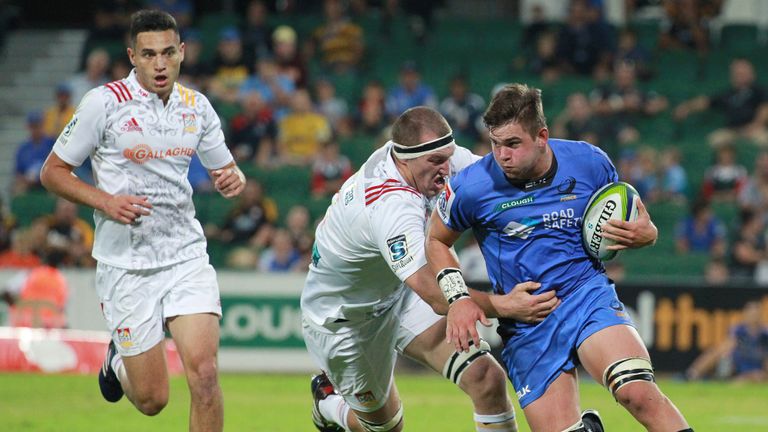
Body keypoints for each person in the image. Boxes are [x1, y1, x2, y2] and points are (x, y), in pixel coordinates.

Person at [425, 84, 692, 432]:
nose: (501, 155)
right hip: (527, 323)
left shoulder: (590, 162)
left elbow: (630, 216)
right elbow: (436, 240)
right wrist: (459, 298)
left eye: (512, 143)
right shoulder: (472, 186)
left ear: (542, 136)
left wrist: (648, 234)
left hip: (586, 296)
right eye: (495, 143)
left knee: (636, 391)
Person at [39, 10, 245, 432]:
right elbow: (52, 172)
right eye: (149, 54)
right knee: (153, 400)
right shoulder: (103, 103)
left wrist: (233, 178)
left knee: (205, 376)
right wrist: (105, 201)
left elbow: (226, 169)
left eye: (168, 52)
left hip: (186, 256)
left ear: (182, 52)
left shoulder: (197, 107)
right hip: (126, 266)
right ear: (132, 56)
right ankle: (117, 363)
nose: (160, 63)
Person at [302, 106, 561, 432]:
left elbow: (498, 177)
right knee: (383, 428)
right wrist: (505, 305)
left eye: (447, 157)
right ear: (405, 160)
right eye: (435, 163)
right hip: (349, 321)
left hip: (403, 292)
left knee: (486, 379)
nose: (446, 170)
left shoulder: (433, 157)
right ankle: (329, 403)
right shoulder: (389, 206)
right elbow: (440, 297)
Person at [686, 300, 768, 382]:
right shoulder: (738, 330)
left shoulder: (765, 333)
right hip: (737, 366)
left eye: (756, 314)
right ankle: (692, 374)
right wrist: (726, 354)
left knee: (757, 376)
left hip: (758, 369)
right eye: (751, 313)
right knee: (716, 351)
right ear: (745, 314)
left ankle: (733, 379)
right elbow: (728, 345)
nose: (753, 316)